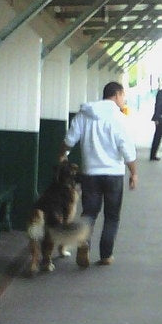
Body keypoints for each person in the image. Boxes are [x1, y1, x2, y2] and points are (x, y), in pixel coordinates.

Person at [60, 81, 137, 267]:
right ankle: (106, 255)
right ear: (117, 94)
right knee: (111, 216)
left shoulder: (84, 114)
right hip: (114, 175)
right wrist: (133, 172)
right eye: (123, 95)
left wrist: (63, 155)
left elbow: (69, 140)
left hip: (90, 174)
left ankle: (84, 241)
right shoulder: (119, 119)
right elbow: (126, 149)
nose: (124, 99)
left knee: (89, 212)